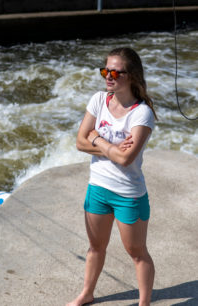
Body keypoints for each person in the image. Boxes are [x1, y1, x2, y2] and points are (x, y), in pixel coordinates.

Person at [67, 47, 157, 306]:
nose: (109, 76)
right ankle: (87, 293)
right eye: (105, 70)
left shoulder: (142, 113)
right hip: (98, 187)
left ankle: (144, 303)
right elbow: (80, 142)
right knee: (95, 247)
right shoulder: (98, 100)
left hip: (128, 193)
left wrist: (97, 137)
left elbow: (126, 159)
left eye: (116, 72)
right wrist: (110, 147)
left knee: (137, 253)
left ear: (131, 76)